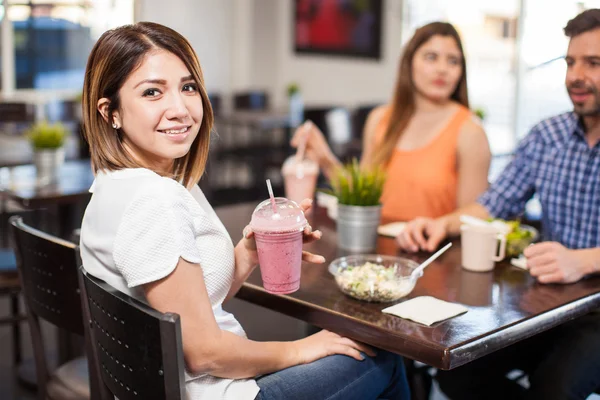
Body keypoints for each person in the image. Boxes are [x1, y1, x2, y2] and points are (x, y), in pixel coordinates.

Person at [78, 22, 410, 400]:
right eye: (152, 92)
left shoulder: (114, 185)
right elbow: (204, 353)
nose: (180, 109)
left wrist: (248, 253)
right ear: (111, 112)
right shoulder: (155, 200)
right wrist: (299, 350)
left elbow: (189, 301)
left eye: (188, 87)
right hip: (223, 392)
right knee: (385, 359)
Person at [398, 9, 600, 400]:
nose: (575, 75)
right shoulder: (548, 136)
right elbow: (493, 204)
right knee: (457, 369)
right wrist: (442, 223)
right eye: (570, 62)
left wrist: (586, 260)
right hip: (551, 306)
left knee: (553, 388)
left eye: (593, 63)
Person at [290, 22, 491, 222]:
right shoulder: (379, 120)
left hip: (434, 252)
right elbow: (361, 197)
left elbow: (472, 220)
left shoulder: (470, 131)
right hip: (377, 250)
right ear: (409, 62)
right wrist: (325, 159)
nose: (442, 69)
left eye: (453, 61)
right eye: (431, 57)